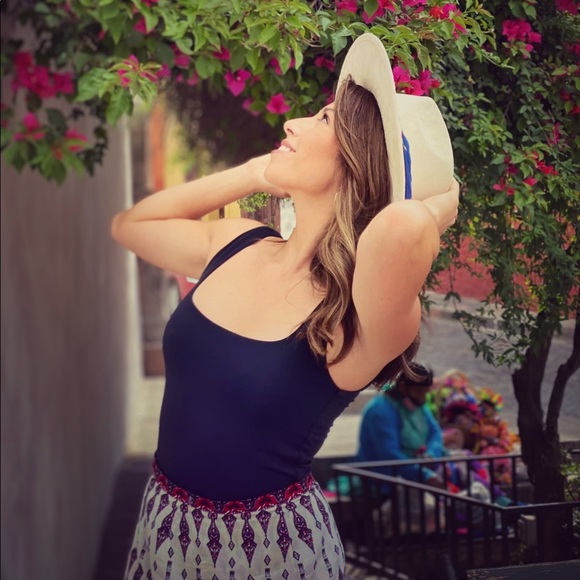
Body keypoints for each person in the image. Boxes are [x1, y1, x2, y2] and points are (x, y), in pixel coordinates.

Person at [112, 33, 459, 579]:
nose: (293, 123)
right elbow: (131, 225)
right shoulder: (240, 241)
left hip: (270, 553)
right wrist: (257, 171)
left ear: (359, 161)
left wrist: (435, 205)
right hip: (163, 529)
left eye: (323, 119)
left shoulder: (352, 317)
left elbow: (404, 225)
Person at [356, 363, 447, 490]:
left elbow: (435, 432)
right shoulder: (380, 411)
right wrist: (424, 475)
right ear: (403, 387)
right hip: (384, 483)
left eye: (425, 392)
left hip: (413, 473)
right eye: (419, 392)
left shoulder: (418, 405)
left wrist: (431, 455)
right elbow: (389, 454)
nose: (423, 399)